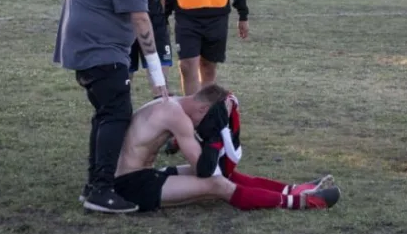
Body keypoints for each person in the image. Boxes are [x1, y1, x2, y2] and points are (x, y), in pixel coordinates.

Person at [54, 0, 169, 214]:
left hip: (85, 50)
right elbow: (141, 20)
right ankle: (102, 190)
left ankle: (94, 184)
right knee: (116, 115)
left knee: (106, 115)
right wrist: (158, 78)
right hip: (101, 52)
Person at [111, 83, 341, 212]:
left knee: (228, 176)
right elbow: (207, 171)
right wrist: (216, 137)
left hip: (142, 175)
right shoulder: (177, 115)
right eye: (208, 120)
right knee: (219, 185)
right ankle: (302, 201)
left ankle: (291, 189)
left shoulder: (175, 105)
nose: (203, 126)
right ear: (203, 110)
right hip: (131, 186)